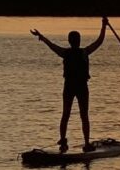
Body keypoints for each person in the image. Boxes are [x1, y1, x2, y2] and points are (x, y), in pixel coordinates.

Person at [30, 18, 107, 152]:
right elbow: (99, 42)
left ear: (70, 41)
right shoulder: (84, 52)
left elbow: (51, 45)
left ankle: (66, 140)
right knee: (82, 115)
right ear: (77, 41)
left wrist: (41, 36)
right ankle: (82, 143)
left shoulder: (67, 53)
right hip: (79, 88)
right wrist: (103, 27)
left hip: (71, 87)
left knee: (68, 114)